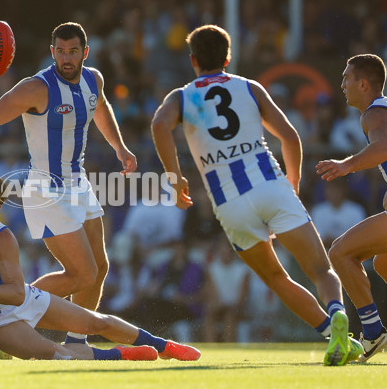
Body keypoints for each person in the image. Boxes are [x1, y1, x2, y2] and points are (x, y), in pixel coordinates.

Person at [150, 24, 361, 366]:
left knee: (277, 278)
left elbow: (159, 124)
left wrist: (175, 179)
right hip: (270, 187)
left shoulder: (182, 96)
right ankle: (337, 311)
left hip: (229, 203)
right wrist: (291, 183)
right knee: (321, 269)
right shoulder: (249, 87)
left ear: (193, 61)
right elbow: (290, 138)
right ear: (228, 57)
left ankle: (331, 334)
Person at [0, 170, 201, 361]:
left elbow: (18, 294)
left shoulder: (2, 238)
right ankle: (124, 355)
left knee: (95, 322)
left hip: (23, 298)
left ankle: (168, 347)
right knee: (60, 356)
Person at [0, 22, 137, 344]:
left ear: (85, 52)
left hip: (78, 183)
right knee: (81, 274)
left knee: (99, 267)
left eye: (72, 52)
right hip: (46, 188)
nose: (66, 58)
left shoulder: (93, 79)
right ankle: (3, 307)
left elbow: (101, 107)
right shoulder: (35, 88)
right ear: (51, 51)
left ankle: (76, 342)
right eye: (60, 51)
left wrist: (119, 147)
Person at [316, 53, 387, 362]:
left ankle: (372, 333)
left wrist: (346, 165)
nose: (342, 84)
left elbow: (383, 148)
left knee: (340, 252)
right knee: (383, 263)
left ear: (363, 83)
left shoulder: (373, 114)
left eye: (346, 78)